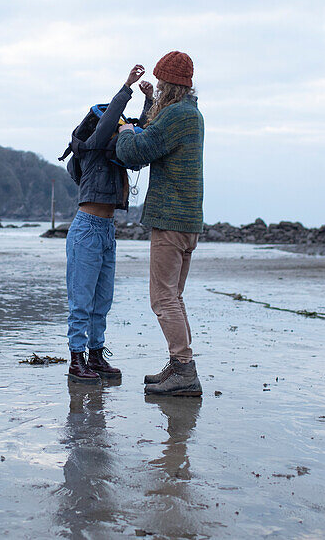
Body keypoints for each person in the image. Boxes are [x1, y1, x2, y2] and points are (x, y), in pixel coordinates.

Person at [115, 51, 204, 397]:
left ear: (172, 86)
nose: (160, 87)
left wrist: (123, 129)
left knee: (162, 297)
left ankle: (184, 370)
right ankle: (179, 364)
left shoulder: (178, 115)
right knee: (174, 296)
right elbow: (159, 130)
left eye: (161, 84)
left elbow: (136, 151)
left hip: (170, 219)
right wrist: (150, 100)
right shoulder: (191, 114)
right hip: (189, 219)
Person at [65, 63, 150, 383]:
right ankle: (76, 360)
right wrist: (126, 87)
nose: (117, 130)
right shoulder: (92, 149)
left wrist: (148, 101)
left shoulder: (114, 152)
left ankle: (96, 356)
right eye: (113, 125)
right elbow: (106, 129)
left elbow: (139, 130)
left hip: (106, 231)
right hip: (86, 228)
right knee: (81, 300)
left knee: (102, 301)